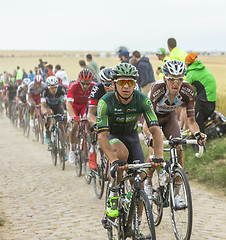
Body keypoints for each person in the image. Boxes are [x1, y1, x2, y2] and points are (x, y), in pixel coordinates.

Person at [97, 63, 164, 218]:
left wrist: (159, 156)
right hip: (113, 136)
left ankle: (137, 225)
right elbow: (102, 136)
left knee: (139, 182)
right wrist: (113, 160)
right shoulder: (105, 102)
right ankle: (114, 192)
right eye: (122, 82)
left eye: (130, 82)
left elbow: (155, 130)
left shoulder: (142, 100)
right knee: (121, 154)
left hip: (132, 137)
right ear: (114, 84)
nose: (126, 86)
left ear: (135, 84)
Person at [144, 60, 207, 207]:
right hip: (151, 119)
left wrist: (198, 134)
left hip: (169, 117)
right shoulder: (158, 89)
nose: (175, 83)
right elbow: (148, 120)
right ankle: (147, 182)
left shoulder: (188, 90)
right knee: (154, 153)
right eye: (172, 79)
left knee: (179, 148)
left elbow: (191, 121)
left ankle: (177, 194)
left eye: (179, 79)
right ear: (165, 78)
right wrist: (151, 138)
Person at [66, 69, 96, 164]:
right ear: (79, 81)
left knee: (89, 122)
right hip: (73, 106)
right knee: (74, 125)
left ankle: (90, 146)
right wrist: (73, 116)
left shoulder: (94, 86)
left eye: (88, 83)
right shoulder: (73, 86)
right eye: (83, 83)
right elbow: (68, 103)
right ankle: (72, 149)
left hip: (84, 106)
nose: (86, 86)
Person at [87, 67, 114, 169]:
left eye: (112, 84)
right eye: (107, 85)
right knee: (93, 128)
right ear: (101, 83)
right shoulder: (97, 88)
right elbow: (90, 114)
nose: (111, 88)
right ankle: (92, 152)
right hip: (97, 110)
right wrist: (94, 123)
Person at [185, 52, 217, 133]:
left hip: (204, 100)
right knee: (203, 122)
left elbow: (184, 87)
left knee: (197, 122)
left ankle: (198, 144)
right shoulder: (203, 69)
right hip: (212, 100)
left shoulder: (192, 72)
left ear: (188, 64)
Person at [41, 76, 67, 155]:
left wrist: (67, 112)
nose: (53, 90)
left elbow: (67, 102)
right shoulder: (44, 91)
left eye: (55, 87)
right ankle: (48, 132)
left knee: (62, 127)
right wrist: (45, 113)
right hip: (49, 106)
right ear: (48, 87)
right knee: (49, 113)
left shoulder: (62, 89)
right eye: (51, 88)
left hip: (58, 106)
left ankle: (63, 146)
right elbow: (43, 106)